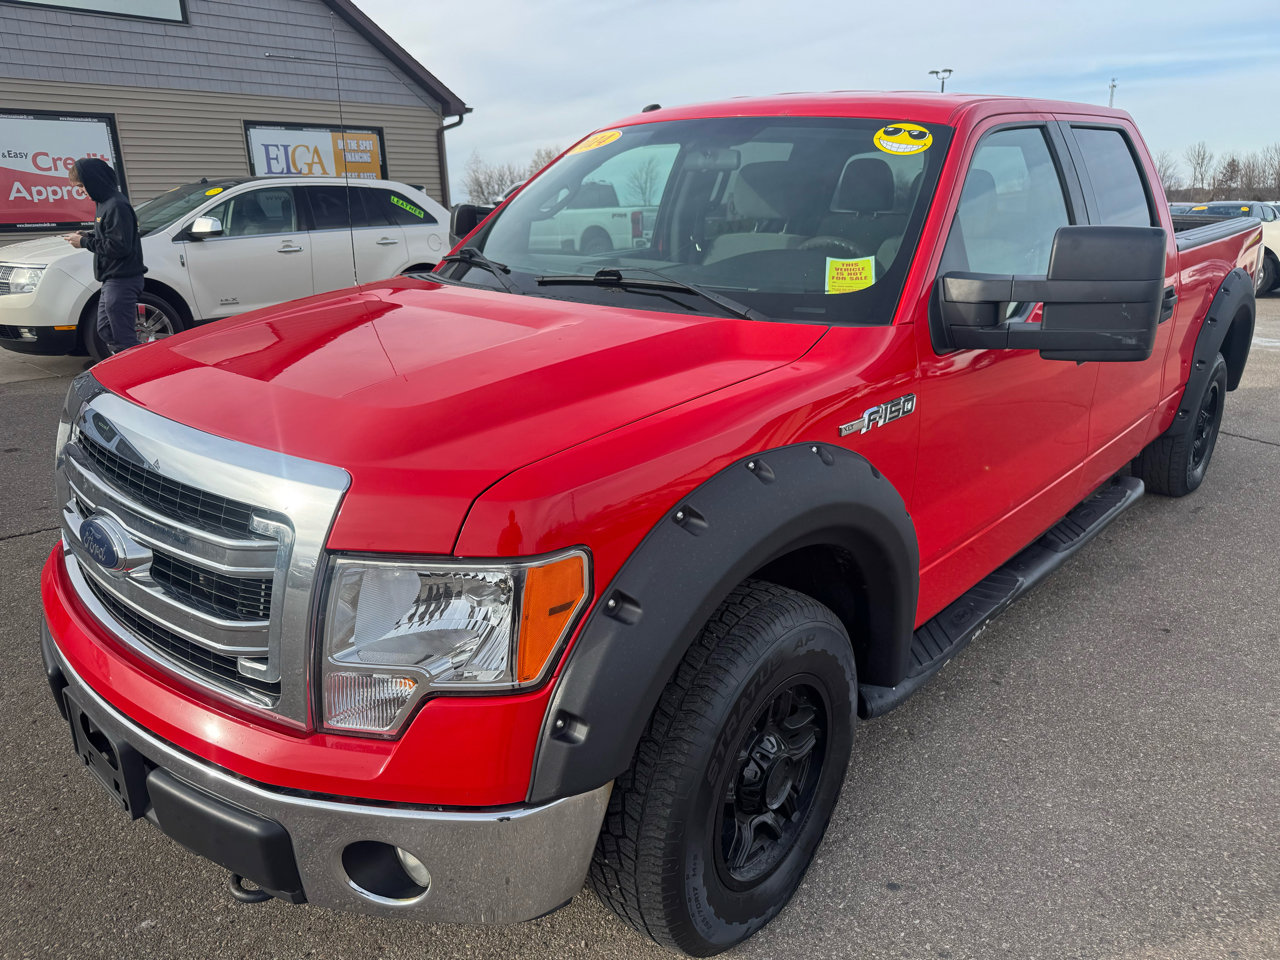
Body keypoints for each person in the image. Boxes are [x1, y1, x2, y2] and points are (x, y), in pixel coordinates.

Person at [62, 159, 146, 356]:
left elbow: (119, 247)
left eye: (82, 186)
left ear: (94, 180)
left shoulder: (117, 205)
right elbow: (110, 236)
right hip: (111, 280)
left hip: (122, 280)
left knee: (123, 339)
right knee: (106, 330)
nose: (81, 191)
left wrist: (83, 243)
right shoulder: (104, 204)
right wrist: (88, 236)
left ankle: (135, 375)